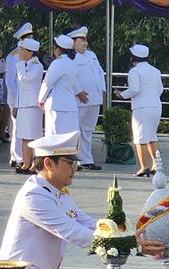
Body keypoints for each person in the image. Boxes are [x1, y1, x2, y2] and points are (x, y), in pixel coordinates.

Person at [0, 131, 164, 269]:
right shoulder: (34, 196)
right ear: (48, 163)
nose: (75, 169)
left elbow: (89, 224)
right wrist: (130, 243)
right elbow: (73, 232)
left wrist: (127, 234)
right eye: (70, 163)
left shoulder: (59, 192)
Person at [115, 44, 164, 177]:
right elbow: (160, 90)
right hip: (156, 106)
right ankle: (156, 164)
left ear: (133, 57)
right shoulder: (155, 71)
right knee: (152, 136)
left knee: (140, 138)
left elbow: (135, 89)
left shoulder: (134, 71)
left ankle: (144, 167)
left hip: (142, 107)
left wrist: (122, 94)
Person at [67, 27, 104, 171]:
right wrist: (78, 92)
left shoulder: (91, 55)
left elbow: (99, 73)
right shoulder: (71, 57)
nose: (84, 43)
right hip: (79, 99)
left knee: (88, 131)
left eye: (85, 40)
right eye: (81, 40)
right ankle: (74, 160)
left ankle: (87, 159)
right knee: (76, 131)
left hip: (94, 98)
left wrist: (102, 91)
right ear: (73, 42)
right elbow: (71, 76)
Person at [38, 35, 85, 136]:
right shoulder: (73, 63)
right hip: (70, 105)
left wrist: (41, 100)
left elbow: (47, 84)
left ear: (58, 49)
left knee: (54, 140)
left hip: (57, 106)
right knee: (68, 140)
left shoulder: (57, 63)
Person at [5, 22, 34, 168]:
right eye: (29, 37)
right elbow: (11, 80)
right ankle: (18, 156)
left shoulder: (29, 54)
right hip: (17, 97)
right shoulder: (14, 56)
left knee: (23, 127)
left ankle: (18, 155)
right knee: (18, 127)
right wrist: (17, 100)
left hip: (26, 98)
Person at [14, 38, 43, 173]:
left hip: (32, 105)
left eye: (22, 50)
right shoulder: (25, 65)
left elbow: (24, 78)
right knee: (24, 136)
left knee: (31, 136)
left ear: (30, 52)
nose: (19, 52)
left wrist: (20, 64)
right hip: (23, 105)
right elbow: (19, 89)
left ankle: (32, 164)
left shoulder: (37, 66)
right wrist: (16, 105)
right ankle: (27, 163)